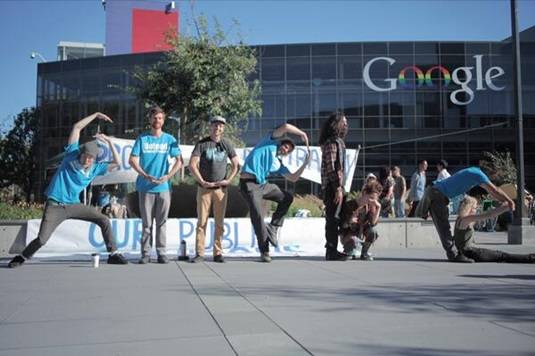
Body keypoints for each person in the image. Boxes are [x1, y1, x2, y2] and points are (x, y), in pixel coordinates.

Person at [8, 112, 128, 268]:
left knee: (104, 220)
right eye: (85, 156)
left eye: (91, 158)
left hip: (74, 205)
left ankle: (113, 254)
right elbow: (76, 127)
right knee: (42, 239)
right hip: (55, 205)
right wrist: (96, 115)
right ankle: (23, 256)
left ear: (94, 160)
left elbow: (117, 163)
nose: (87, 160)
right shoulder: (70, 155)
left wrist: (109, 142)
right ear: (81, 154)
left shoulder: (95, 169)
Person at [416, 162, 516, 263]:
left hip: (435, 192)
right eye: (495, 175)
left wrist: (504, 201)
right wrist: (509, 201)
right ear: (491, 171)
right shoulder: (479, 174)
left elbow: (492, 192)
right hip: (437, 194)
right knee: (444, 227)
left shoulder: (474, 172)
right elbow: (494, 190)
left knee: (441, 224)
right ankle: (454, 255)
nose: (494, 178)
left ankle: (454, 253)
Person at [240, 123, 310, 263]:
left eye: (288, 150)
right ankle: (264, 251)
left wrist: (305, 163)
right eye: (285, 146)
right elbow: (285, 127)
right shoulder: (269, 142)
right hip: (248, 184)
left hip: (263, 185)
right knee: (258, 216)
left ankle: (273, 227)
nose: (285, 150)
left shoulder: (278, 164)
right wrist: (302, 134)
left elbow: (293, 178)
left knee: (287, 198)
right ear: (280, 143)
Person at [129, 106, 182, 264]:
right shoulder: (142, 138)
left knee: (162, 222)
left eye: (160, 118)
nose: (157, 120)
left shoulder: (170, 139)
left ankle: (161, 253)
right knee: (146, 224)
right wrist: (144, 174)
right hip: (145, 187)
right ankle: (145, 254)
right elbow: (132, 160)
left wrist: (168, 176)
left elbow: (179, 162)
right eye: (154, 118)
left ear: (163, 121)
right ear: (149, 119)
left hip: (163, 188)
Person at [189, 116, 239, 263]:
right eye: (215, 125)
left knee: (219, 222)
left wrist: (229, 180)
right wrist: (202, 181)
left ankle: (218, 253)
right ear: (210, 127)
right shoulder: (202, 144)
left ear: (223, 129)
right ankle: (200, 253)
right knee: (201, 222)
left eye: (221, 126)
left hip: (220, 190)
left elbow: (236, 164)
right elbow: (192, 165)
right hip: (204, 189)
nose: (218, 128)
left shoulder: (227, 144)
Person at [454, 196, 534, 263]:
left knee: (501, 255)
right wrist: (504, 208)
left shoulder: (460, 219)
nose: (476, 210)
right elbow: (489, 215)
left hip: (468, 252)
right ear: (469, 208)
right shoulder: (466, 219)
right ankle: (531, 258)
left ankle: (531, 257)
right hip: (471, 252)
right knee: (503, 256)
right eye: (475, 208)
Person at [319, 111, 350, 261]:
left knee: (338, 218)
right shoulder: (332, 143)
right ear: (336, 124)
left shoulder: (338, 142)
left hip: (338, 187)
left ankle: (338, 248)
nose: (346, 125)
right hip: (333, 188)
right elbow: (331, 168)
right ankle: (331, 251)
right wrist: (338, 188)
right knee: (332, 219)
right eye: (343, 122)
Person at [340, 181, 382, 260]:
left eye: (374, 199)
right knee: (352, 242)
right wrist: (349, 221)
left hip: (361, 234)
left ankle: (364, 252)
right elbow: (341, 226)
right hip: (349, 235)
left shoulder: (370, 206)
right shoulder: (349, 205)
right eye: (371, 197)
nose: (372, 201)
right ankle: (348, 250)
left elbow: (373, 223)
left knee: (373, 231)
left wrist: (378, 208)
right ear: (364, 193)